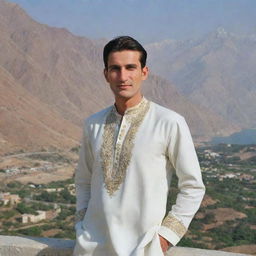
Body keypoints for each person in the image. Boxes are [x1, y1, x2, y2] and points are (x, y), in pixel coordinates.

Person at [73, 36, 205, 256]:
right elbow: (83, 181)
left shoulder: (169, 122)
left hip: (143, 250)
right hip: (90, 249)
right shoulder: (93, 124)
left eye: (130, 67)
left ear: (144, 72)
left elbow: (193, 187)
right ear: (106, 74)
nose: (123, 76)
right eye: (115, 68)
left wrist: (164, 239)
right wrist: (82, 226)